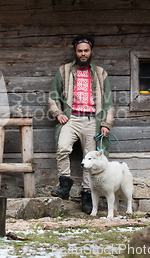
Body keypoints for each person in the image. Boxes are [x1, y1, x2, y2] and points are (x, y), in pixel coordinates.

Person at [48, 35, 115, 214]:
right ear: (75, 52)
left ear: (91, 51)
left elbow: (108, 102)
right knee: (62, 147)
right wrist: (58, 113)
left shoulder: (101, 73)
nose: (83, 54)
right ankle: (64, 186)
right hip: (72, 119)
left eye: (86, 50)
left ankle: (87, 196)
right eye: (80, 51)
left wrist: (106, 124)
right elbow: (53, 95)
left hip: (92, 120)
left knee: (90, 157)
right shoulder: (64, 70)